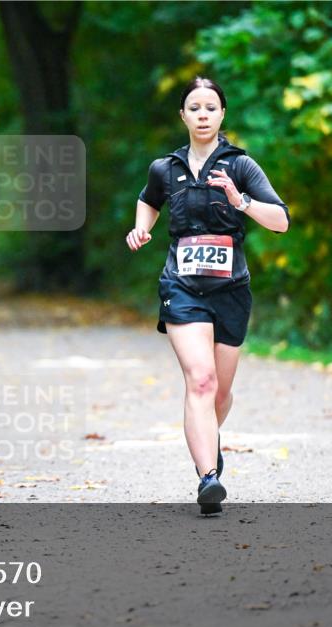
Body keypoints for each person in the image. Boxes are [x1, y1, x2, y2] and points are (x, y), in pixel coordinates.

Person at [127, 77, 291, 515]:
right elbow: (149, 200)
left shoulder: (241, 166)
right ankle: (208, 478)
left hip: (231, 290)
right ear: (182, 115)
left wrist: (241, 203)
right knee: (199, 379)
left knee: (219, 393)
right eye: (194, 108)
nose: (202, 115)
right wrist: (142, 227)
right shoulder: (165, 168)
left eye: (210, 107)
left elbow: (280, 221)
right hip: (181, 286)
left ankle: (208, 444)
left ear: (222, 115)